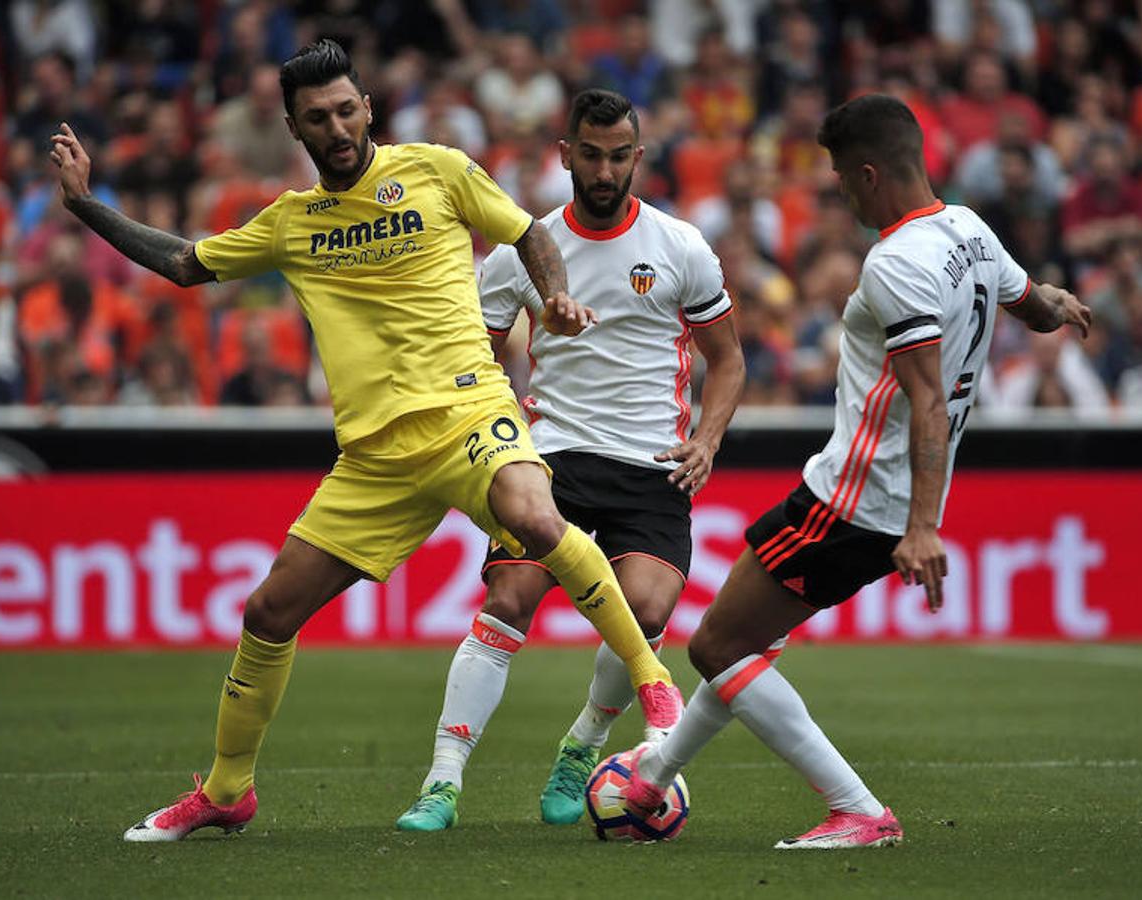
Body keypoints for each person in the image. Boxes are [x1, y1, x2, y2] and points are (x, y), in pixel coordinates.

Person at [48, 39, 684, 842]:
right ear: (294, 127)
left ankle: (652, 680)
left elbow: (529, 235)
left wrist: (554, 297)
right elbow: (182, 263)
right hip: (375, 460)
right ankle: (226, 789)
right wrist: (84, 207)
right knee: (269, 610)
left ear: (368, 109)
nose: (337, 126)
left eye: (347, 109)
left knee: (532, 512)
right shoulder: (291, 222)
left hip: (466, 416)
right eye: (318, 117)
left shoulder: (439, 171)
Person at [619, 94, 1091, 849]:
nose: (838, 189)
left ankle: (857, 811)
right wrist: (1056, 304)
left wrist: (922, 528)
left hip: (850, 501)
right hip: (878, 502)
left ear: (870, 174)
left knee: (715, 648)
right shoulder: (968, 228)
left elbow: (927, 400)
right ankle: (651, 782)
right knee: (747, 643)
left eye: (841, 175)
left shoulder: (896, 261)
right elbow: (1028, 304)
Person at [394, 89, 746, 832]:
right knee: (507, 604)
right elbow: (473, 357)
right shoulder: (522, 251)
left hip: (652, 466)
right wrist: (494, 436)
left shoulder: (680, 246)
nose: (604, 169)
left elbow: (728, 359)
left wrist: (708, 439)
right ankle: (442, 782)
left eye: (619, 156)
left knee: (644, 612)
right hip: (549, 458)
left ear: (637, 158)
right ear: (565, 154)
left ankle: (582, 744)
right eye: (590, 154)